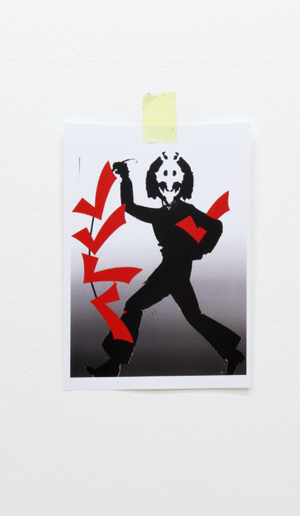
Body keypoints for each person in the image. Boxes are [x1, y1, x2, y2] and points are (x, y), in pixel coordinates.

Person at [87, 154, 245, 377]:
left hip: (174, 270)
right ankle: (231, 353)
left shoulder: (186, 210)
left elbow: (216, 226)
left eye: (174, 182)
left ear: (183, 185)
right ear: (154, 186)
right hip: (172, 270)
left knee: (134, 305)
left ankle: (114, 365)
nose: (169, 186)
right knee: (193, 316)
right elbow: (128, 206)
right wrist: (125, 177)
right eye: (162, 182)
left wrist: (200, 250)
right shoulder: (159, 215)